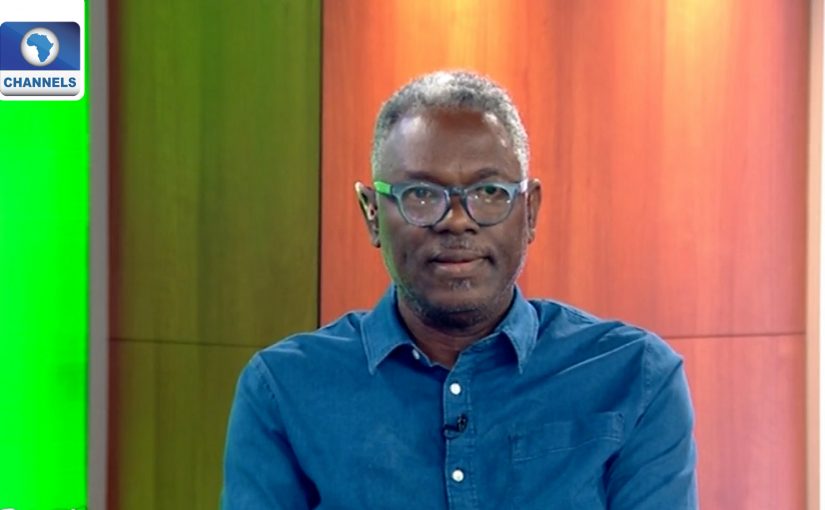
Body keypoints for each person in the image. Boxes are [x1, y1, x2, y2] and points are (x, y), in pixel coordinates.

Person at [221, 70, 697, 509]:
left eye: (489, 193)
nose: (456, 220)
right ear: (372, 213)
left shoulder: (635, 377)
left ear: (530, 211)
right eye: (421, 194)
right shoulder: (283, 389)